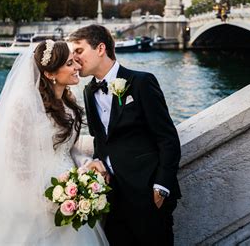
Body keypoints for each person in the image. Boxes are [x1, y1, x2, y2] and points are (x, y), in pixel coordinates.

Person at [0, 41, 109, 245]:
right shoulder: (23, 107)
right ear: (50, 74)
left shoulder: (69, 103)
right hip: (35, 201)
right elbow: (16, 162)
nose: (77, 67)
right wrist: (48, 200)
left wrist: (87, 165)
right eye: (70, 63)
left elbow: (69, 150)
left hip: (71, 192)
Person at [69, 25, 181, 246]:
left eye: (79, 51)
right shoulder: (89, 92)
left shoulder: (142, 82)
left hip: (148, 195)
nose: (74, 58)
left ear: (100, 48)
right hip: (112, 198)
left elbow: (167, 138)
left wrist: (161, 186)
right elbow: (100, 138)